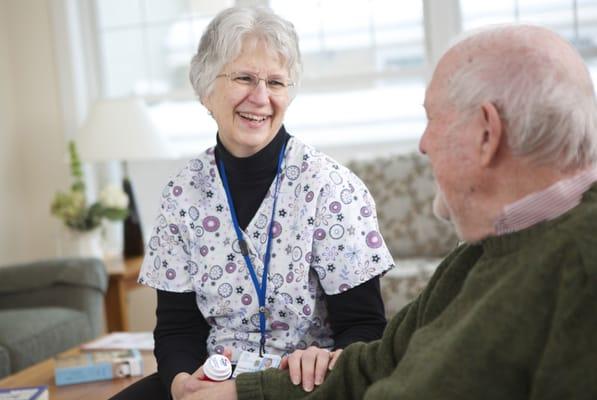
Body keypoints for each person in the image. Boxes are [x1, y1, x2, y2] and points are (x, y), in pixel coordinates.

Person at [183, 24, 597, 400]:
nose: (423, 143)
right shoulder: (481, 252)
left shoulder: (580, 270)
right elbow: (378, 362)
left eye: (433, 119)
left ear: (486, 133)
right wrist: (245, 392)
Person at [110, 5, 394, 400]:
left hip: (300, 383)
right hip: (211, 378)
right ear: (206, 88)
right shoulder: (181, 194)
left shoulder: (332, 188)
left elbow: (366, 329)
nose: (260, 97)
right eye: (244, 77)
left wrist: (323, 360)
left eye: (276, 82)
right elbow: (177, 328)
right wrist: (183, 385)